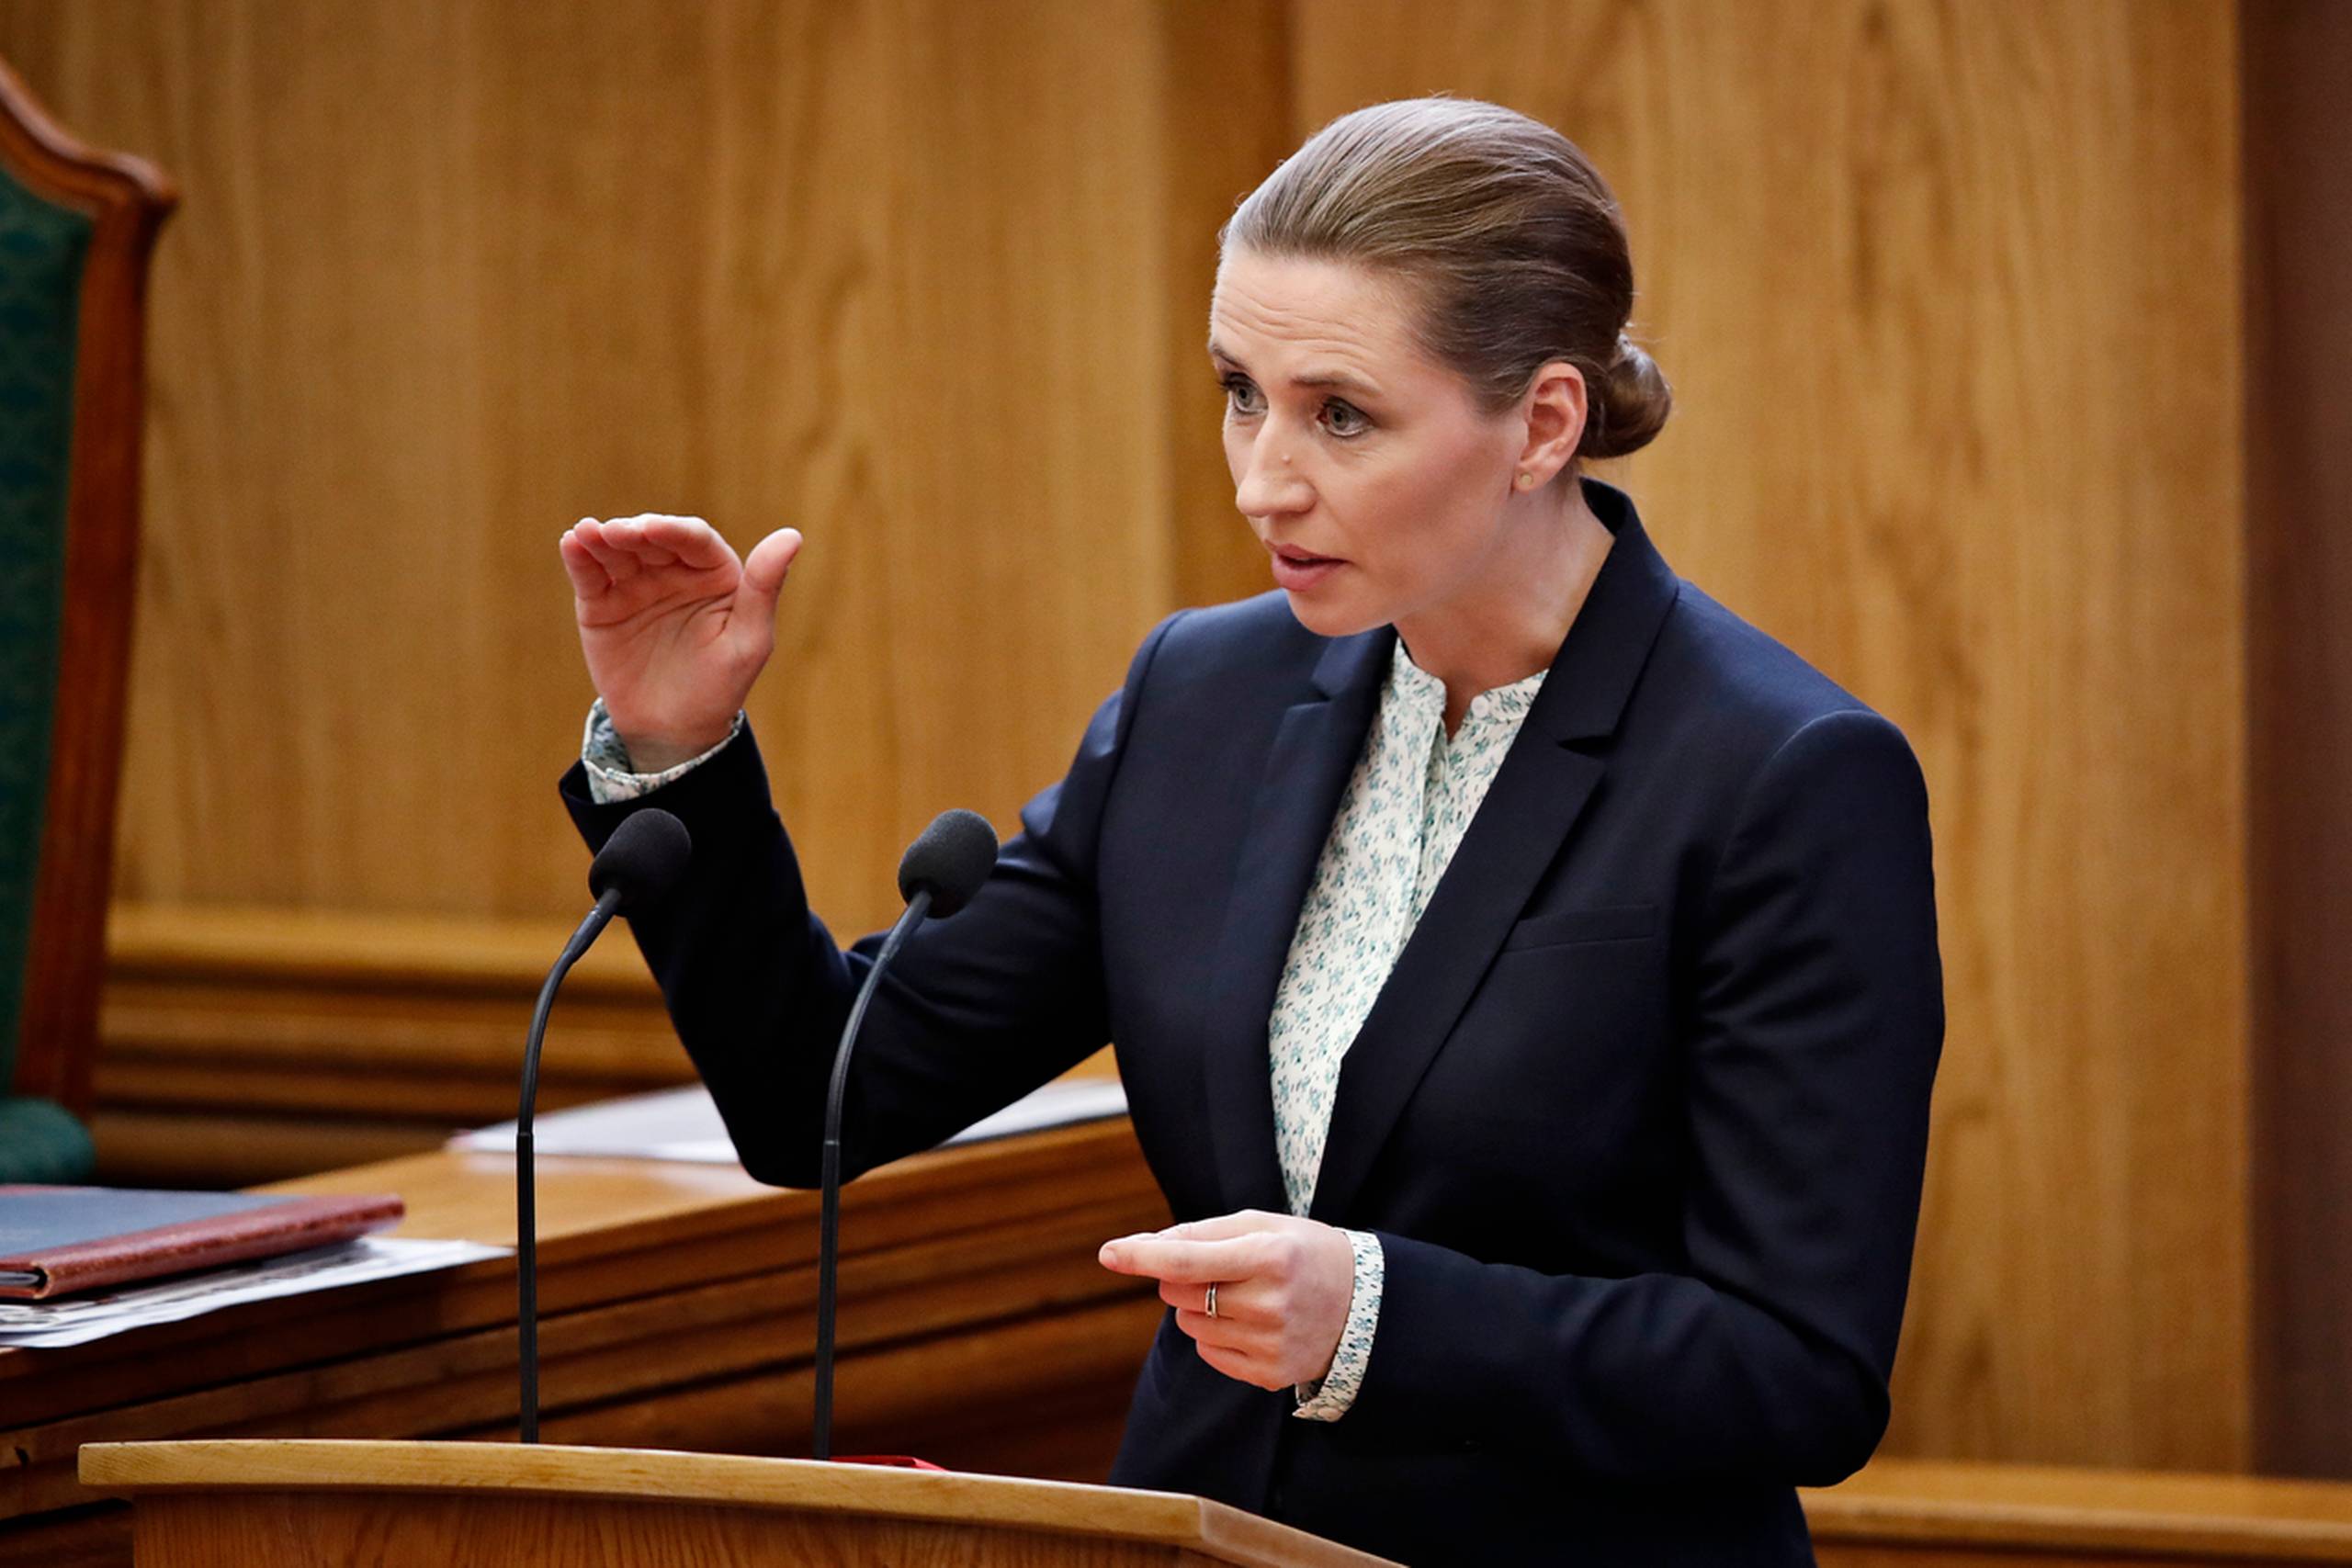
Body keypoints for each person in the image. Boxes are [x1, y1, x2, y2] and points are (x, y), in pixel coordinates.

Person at [556, 96, 1942, 1567]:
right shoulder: (1203, 696)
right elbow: (816, 1095)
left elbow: (1800, 1372)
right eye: (1241, 391)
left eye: (1340, 414)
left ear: (1542, 423)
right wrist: (676, 748)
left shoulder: (1782, 774)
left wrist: (1382, 1317)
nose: (1260, 479)